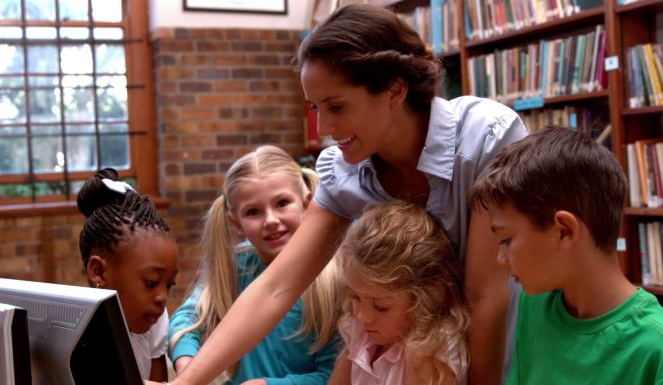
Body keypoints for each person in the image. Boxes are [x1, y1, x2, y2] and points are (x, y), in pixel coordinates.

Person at [159, 4, 527, 385]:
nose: (324, 127)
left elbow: (486, 295)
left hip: (502, 366)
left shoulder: (484, 138)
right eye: (316, 108)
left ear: (395, 90)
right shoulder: (345, 171)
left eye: (336, 106)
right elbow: (275, 287)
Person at [469, 126, 663, 385]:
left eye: (506, 240)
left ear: (564, 232)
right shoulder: (533, 302)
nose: (500, 259)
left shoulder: (653, 347)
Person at [168, 145, 342, 385]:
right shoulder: (235, 267)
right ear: (236, 222)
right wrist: (188, 366)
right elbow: (188, 320)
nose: (270, 220)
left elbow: (338, 373)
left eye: (282, 203)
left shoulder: (334, 277)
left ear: (307, 203)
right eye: (253, 212)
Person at [328, 201, 469, 385]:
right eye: (355, 297)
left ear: (424, 300)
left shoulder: (428, 350)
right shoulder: (359, 332)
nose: (363, 316)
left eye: (381, 307)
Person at [77, 168, 178, 383]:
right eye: (151, 283)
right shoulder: (78, 333)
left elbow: (159, 379)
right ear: (99, 272)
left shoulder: (154, 318)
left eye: (168, 285)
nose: (162, 297)